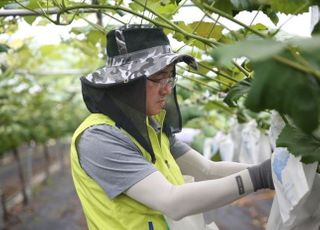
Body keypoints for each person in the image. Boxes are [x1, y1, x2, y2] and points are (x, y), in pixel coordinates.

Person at [70, 24, 274, 230]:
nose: (167, 89)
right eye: (158, 78)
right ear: (127, 82)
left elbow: (208, 170)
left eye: (170, 77)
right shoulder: (99, 137)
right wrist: (258, 177)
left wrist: (272, 172)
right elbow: (171, 201)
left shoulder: (151, 128)